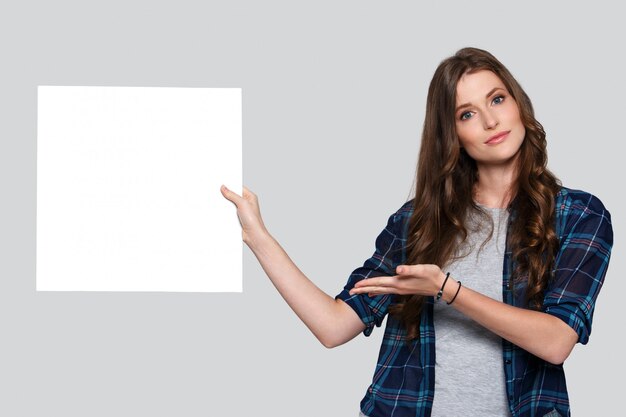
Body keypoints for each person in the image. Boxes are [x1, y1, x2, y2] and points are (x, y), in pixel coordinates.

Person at [220, 47, 613, 417]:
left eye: (497, 99)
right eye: (467, 114)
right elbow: (333, 325)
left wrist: (446, 289)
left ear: (518, 104)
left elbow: (556, 342)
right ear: (452, 134)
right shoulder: (417, 223)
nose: (491, 121)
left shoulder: (577, 215)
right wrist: (259, 238)